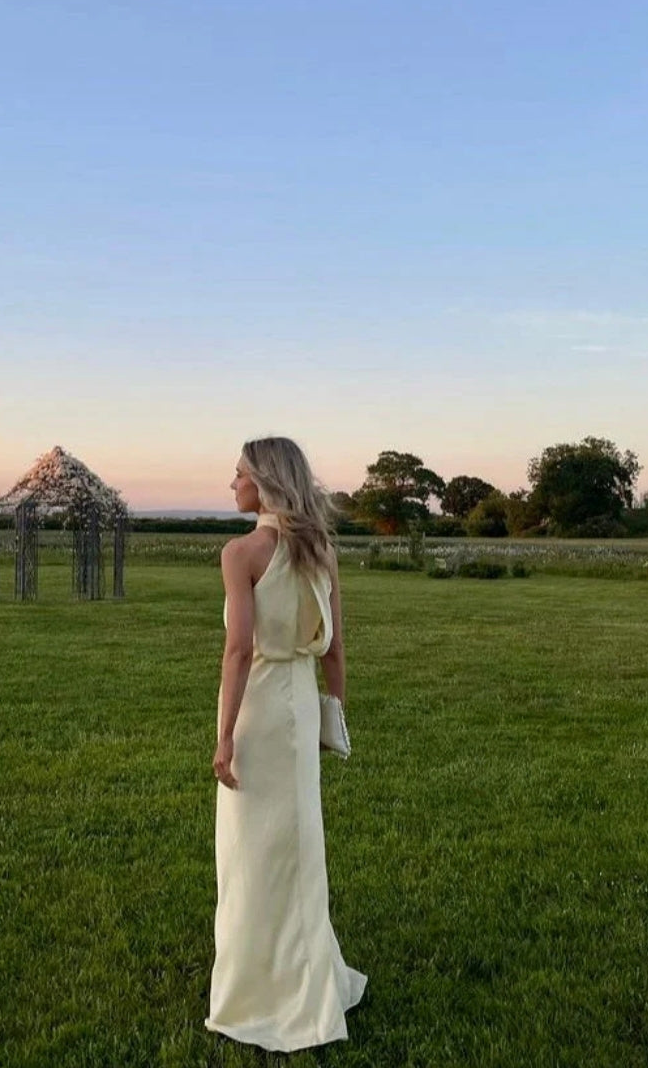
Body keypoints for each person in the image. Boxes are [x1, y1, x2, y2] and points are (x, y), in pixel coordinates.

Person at [205, 436, 367, 1052]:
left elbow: (239, 649)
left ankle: (256, 994)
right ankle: (306, 983)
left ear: (265, 482)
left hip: (260, 706)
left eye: (239, 473)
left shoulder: (241, 552)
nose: (232, 483)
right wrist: (332, 715)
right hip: (299, 708)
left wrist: (224, 735)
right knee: (297, 846)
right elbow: (336, 648)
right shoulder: (320, 549)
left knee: (250, 852)